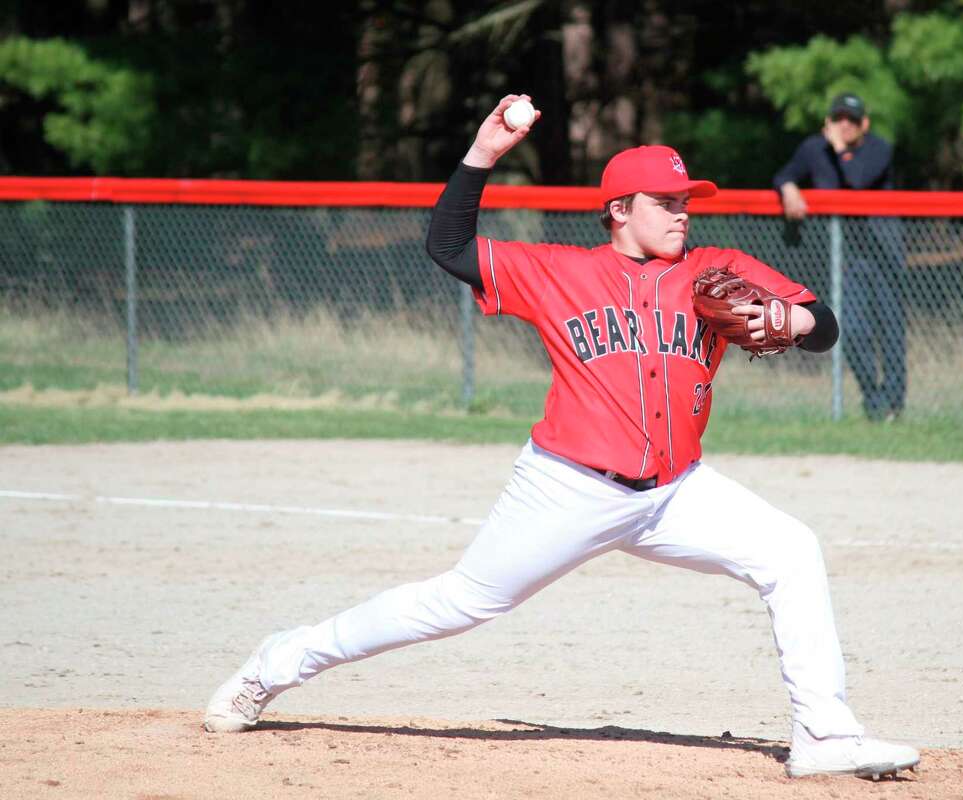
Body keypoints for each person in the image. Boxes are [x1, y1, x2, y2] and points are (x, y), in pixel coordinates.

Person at [202, 94, 920, 780]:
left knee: (792, 551)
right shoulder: (560, 272)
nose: (681, 214)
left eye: (685, 201)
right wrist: (484, 152)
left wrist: (796, 324)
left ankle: (824, 734)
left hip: (675, 491)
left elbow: (822, 324)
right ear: (618, 211)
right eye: (665, 203)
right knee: (458, 603)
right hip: (568, 486)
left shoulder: (714, 270)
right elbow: (447, 246)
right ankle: (275, 663)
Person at [773, 92, 907, 422]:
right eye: (838, 118)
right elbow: (783, 173)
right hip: (846, 259)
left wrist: (840, 150)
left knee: (890, 332)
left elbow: (857, 180)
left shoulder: (879, 148)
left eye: (851, 119)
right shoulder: (813, 149)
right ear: (827, 123)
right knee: (853, 330)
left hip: (885, 255)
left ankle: (894, 404)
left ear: (865, 124)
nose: (844, 125)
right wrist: (789, 187)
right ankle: (874, 403)